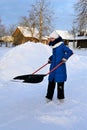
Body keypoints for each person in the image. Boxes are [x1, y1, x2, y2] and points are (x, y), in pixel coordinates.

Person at [46, 31, 73, 103]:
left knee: (60, 84)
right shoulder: (54, 46)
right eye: (50, 38)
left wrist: (65, 58)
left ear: (55, 38)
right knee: (51, 83)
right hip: (53, 67)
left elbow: (70, 52)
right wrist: (50, 58)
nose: (50, 39)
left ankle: (61, 99)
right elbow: (55, 55)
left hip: (60, 67)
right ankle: (49, 97)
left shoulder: (62, 46)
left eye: (52, 38)